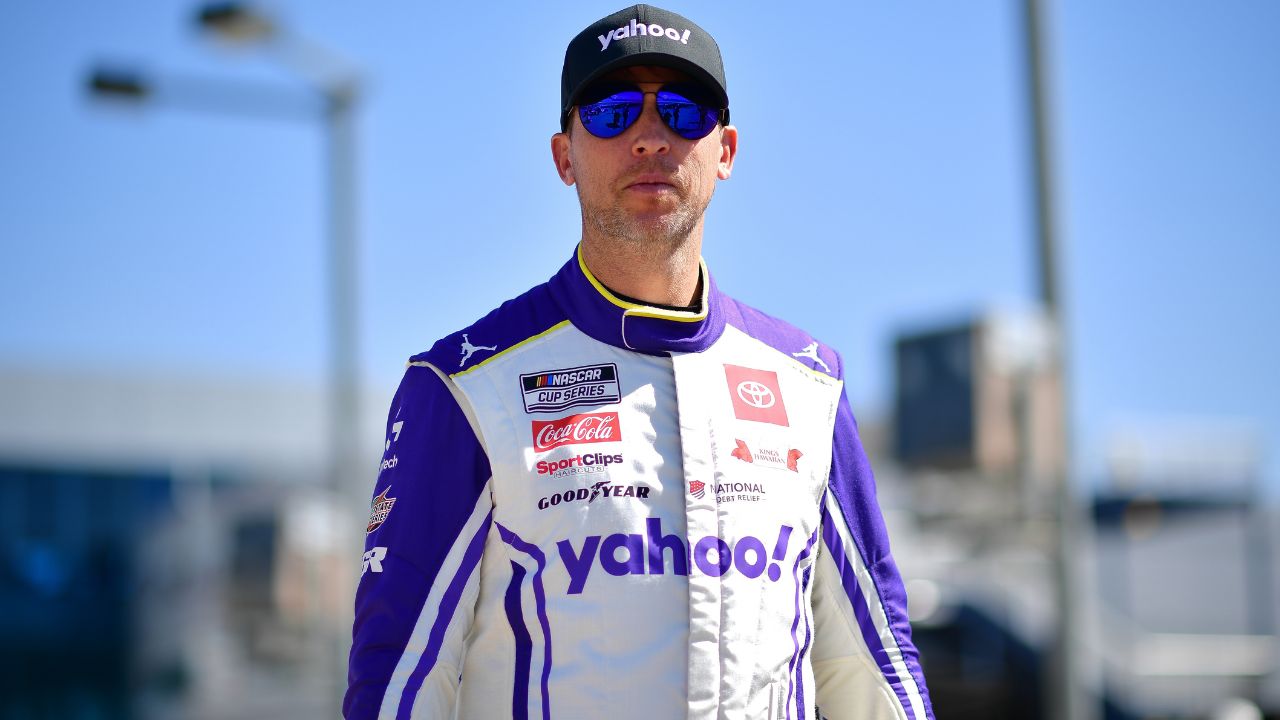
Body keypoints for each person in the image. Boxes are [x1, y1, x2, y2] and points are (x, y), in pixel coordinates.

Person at [344, 5, 935, 719]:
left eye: (685, 113)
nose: (651, 136)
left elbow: (871, 667)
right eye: (614, 110)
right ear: (565, 155)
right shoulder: (464, 388)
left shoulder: (809, 387)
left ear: (726, 151)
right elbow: (401, 678)